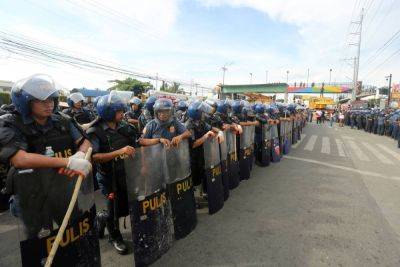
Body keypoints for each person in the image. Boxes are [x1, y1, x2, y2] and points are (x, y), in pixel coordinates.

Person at [0, 74, 92, 238]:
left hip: (62, 191)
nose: (49, 104)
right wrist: (67, 162)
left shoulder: (62, 120)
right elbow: (20, 159)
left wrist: (80, 154)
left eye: (51, 99)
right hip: (32, 195)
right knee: (41, 245)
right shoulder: (10, 123)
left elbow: (85, 142)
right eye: (42, 100)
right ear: (26, 102)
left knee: (75, 235)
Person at [87, 92, 138, 254]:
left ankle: (101, 219)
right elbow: (94, 157)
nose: (123, 114)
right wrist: (119, 152)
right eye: (119, 111)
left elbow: (135, 146)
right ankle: (115, 236)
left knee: (126, 205)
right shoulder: (95, 132)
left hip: (127, 173)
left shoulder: (125, 127)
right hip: (108, 177)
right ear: (109, 113)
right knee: (114, 208)